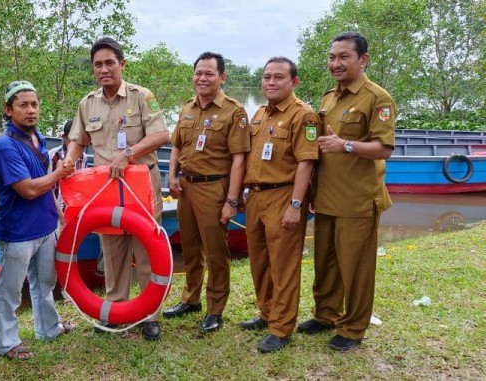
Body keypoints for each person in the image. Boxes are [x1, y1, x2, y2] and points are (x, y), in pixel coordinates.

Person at [64, 37, 170, 341]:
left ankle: (150, 315)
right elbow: (78, 139)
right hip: (105, 189)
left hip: (140, 187)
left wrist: (129, 154)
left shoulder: (141, 97)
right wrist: (70, 160)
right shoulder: (88, 103)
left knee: (147, 252)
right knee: (112, 252)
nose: (104, 69)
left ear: (121, 64)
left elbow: (161, 134)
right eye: (98, 64)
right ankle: (116, 310)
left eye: (110, 62)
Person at [298, 31, 396, 352]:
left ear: (362, 60)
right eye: (331, 57)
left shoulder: (377, 98)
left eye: (343, 57)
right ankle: (326, 314)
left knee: (356, 267)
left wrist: (346, 144)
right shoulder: (329, 97)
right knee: (325, 263)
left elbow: (383, 149)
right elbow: (322, 147)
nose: (335, 63)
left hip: (357, 200)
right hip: (326, 197)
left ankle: (353, 328)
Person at [0, 80, 76, 360]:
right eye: (23, 105)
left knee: (45, 284)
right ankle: (4, 343)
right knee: (10, 290)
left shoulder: (36, 138)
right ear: (8, 110)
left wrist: (57, 210)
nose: (31, 110)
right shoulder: (5, 146)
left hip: (45, 226)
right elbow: (27, 189)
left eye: (35, 104)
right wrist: (59, 174)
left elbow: (45, 187)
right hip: (18, 231)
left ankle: (48, 328)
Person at [164, 51, 249, 333]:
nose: (202, 78)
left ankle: (215, 309)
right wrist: (172, 174)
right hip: (186, 188)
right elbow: (177, 144)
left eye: (209, 73)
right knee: (189, 247)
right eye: (198, 73)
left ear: (222, 77)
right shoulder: (187, 108)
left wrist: (232, 200)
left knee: (215, 252)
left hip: (214, 188)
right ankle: (191, 299)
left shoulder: (233, 111)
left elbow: (239, 159)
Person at [239, 57, 319, 352]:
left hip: (284, 195)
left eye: (278, 78)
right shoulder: (259, 114)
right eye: (266, 77)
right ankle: (266, 312)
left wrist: (296, 205)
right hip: (256, 197)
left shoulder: (304, 116)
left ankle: (281, 327)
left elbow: (306, 163)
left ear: (293, 82)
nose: (270, 83)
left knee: (284, 265)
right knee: (259, 261)